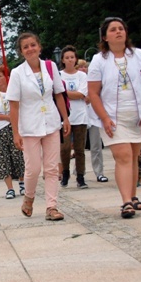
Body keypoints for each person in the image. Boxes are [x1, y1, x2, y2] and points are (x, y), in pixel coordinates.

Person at [87, 18, 141, 219]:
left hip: (138, 115)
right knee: (123, 156)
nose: (118, 32)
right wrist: (105, 118)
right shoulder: (99, 60)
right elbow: (93, 93)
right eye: (113, 29)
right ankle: (126, 201)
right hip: (113, 117)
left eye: (121, 29)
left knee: (134, 156)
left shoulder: (139, 55)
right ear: (105, 36)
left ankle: (133, 196)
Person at [6, 33, 70, 221]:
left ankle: (51, 206)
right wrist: (15, 132)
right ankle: (29, 197)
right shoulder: (17, 73)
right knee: (33, 169)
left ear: (39, 47)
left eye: (33, 45)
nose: (30, 49)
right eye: (25, 47)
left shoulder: (50, 68)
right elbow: (14, 104)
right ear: (21, 52)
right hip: (30, 126)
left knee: (51, 168)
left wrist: (65, 118)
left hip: (51, 122)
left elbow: (58, 94)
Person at [0, 65, 25, 199]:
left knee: (18, 156)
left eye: (0, 76)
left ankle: (22, 182)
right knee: (3, 159)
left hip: (14, 129)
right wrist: (7, 117)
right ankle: (9, 188)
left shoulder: (15, 91)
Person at [59, 45, 89, 189]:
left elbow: (82, 94)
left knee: (79, 149)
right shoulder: (59, 75)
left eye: (72, 57)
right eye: (67, 58)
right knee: (64, 148)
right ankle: (65, 172)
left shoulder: (82, 76)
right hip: (64, 117)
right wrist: (69, 94)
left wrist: (65, 93)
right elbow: (57, 94)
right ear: (63, 60)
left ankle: (81, 176)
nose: (70, 60)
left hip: (80, 116)